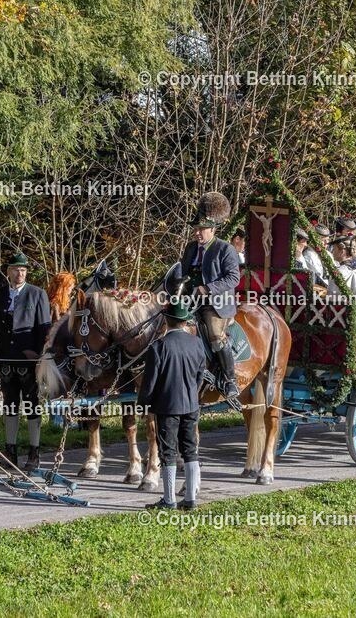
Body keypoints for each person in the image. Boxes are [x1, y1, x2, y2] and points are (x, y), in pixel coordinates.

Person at [0, 252, 52, 471]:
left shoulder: (37, 294)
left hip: (29, 360)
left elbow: (45, 329)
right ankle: (10, 452)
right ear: (8, 272)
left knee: (32, 405)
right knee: (9, 405)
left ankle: (34, 452)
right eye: (16, 269)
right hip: (5, 360)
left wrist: (39, 353)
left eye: (23, 270)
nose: (20, 273)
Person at [139, 300, 208, 510]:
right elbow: (200, 375)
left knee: (167, 452)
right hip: (191, 404)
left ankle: (169, 500)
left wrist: (144, 404)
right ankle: (190, 499)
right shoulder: (197, 343)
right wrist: (190, 394)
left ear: (166, 320)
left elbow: (149, 382)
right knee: (190, 449)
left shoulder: (158, 347)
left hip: (166, 407)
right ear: (184, 322)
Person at [180, 191, 241, 400]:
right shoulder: (190, 249)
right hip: (190, 300)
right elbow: (183, 273)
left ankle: (230, 379)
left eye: (201, 229)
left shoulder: (226, 249)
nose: (197, 233)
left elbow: (234, 278)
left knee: (215, 336)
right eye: (195, 229)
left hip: (216, 303)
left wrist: (207, 289)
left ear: (213, 229)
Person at [326, 234, 356, 302]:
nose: (332, 252)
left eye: (334, 249)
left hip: (344, 310)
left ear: (342, 252)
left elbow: (331, 299)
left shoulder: (338, 272)